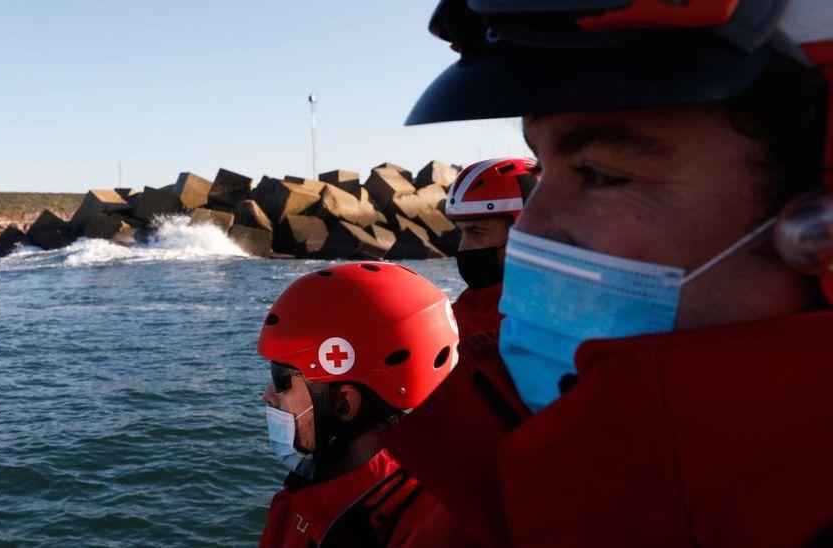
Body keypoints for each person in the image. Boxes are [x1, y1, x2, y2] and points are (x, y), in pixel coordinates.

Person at [374, 1, 833, 546]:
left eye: (599, 174)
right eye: (543, 171)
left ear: (817, 229)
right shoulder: (507, 490)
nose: (529, 232)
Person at [257, 261, 459, 547]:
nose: (267, 395)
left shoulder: (422, 532)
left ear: (344, 403)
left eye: (281, 382)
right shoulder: (318, 488)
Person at [445, 158, 538, 338]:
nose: (462, 248)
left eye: (476, 232)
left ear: (526, 233)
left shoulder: (544, 325)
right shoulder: (462, 311)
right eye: (461, 233)